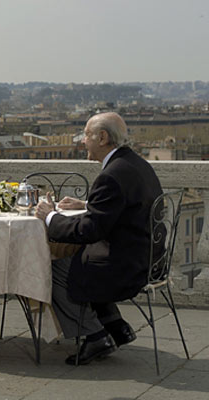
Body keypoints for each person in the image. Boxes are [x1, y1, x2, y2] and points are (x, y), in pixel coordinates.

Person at [35, 112, 163, 365]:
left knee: (51, 271)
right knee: (78, 258)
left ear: (102, 137)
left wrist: (49, 217)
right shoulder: (135, 164)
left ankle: (95, 336)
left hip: (124, 265)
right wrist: (86, 203)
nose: (82, 142)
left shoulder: (111, 175)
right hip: (149, 258)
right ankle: (116, 326)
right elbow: (125, 207)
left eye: (86, 135)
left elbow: (89, 231)